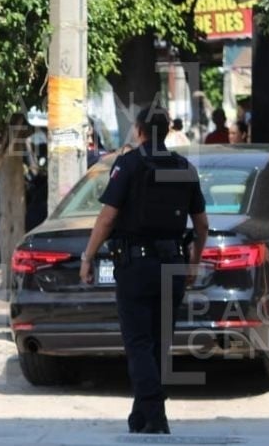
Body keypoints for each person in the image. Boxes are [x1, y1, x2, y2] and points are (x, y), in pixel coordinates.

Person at [79, 105, 209, 434]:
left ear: (138, 130)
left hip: (136, 267)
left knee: (138, 343)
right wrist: (193, 261)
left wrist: (87, 257)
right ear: (166, 131)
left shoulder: (129, 164)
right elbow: (202, 224)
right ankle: (142, 416)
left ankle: (155, 415)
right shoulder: (184, 167)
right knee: (158, 343)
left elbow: (107, 218)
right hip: (173, 264)